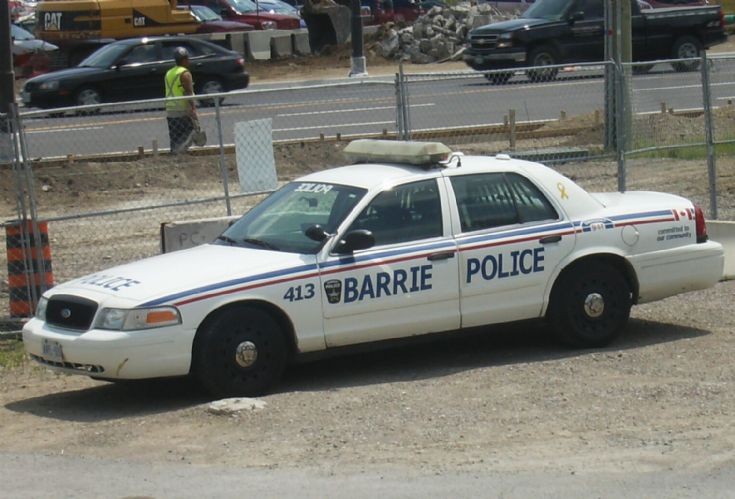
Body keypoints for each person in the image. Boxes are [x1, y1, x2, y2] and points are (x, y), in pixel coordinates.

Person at [165, 47, 197, 153]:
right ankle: (181, 153)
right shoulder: (184, 73)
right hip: (181, 108)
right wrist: (193, 109)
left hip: (170, 109)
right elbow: (188, 92)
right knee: (190, 131)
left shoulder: (169, 73)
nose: (188, 60)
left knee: (175, 136)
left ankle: (175, 154)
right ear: (184, 60)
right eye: (187, 58)